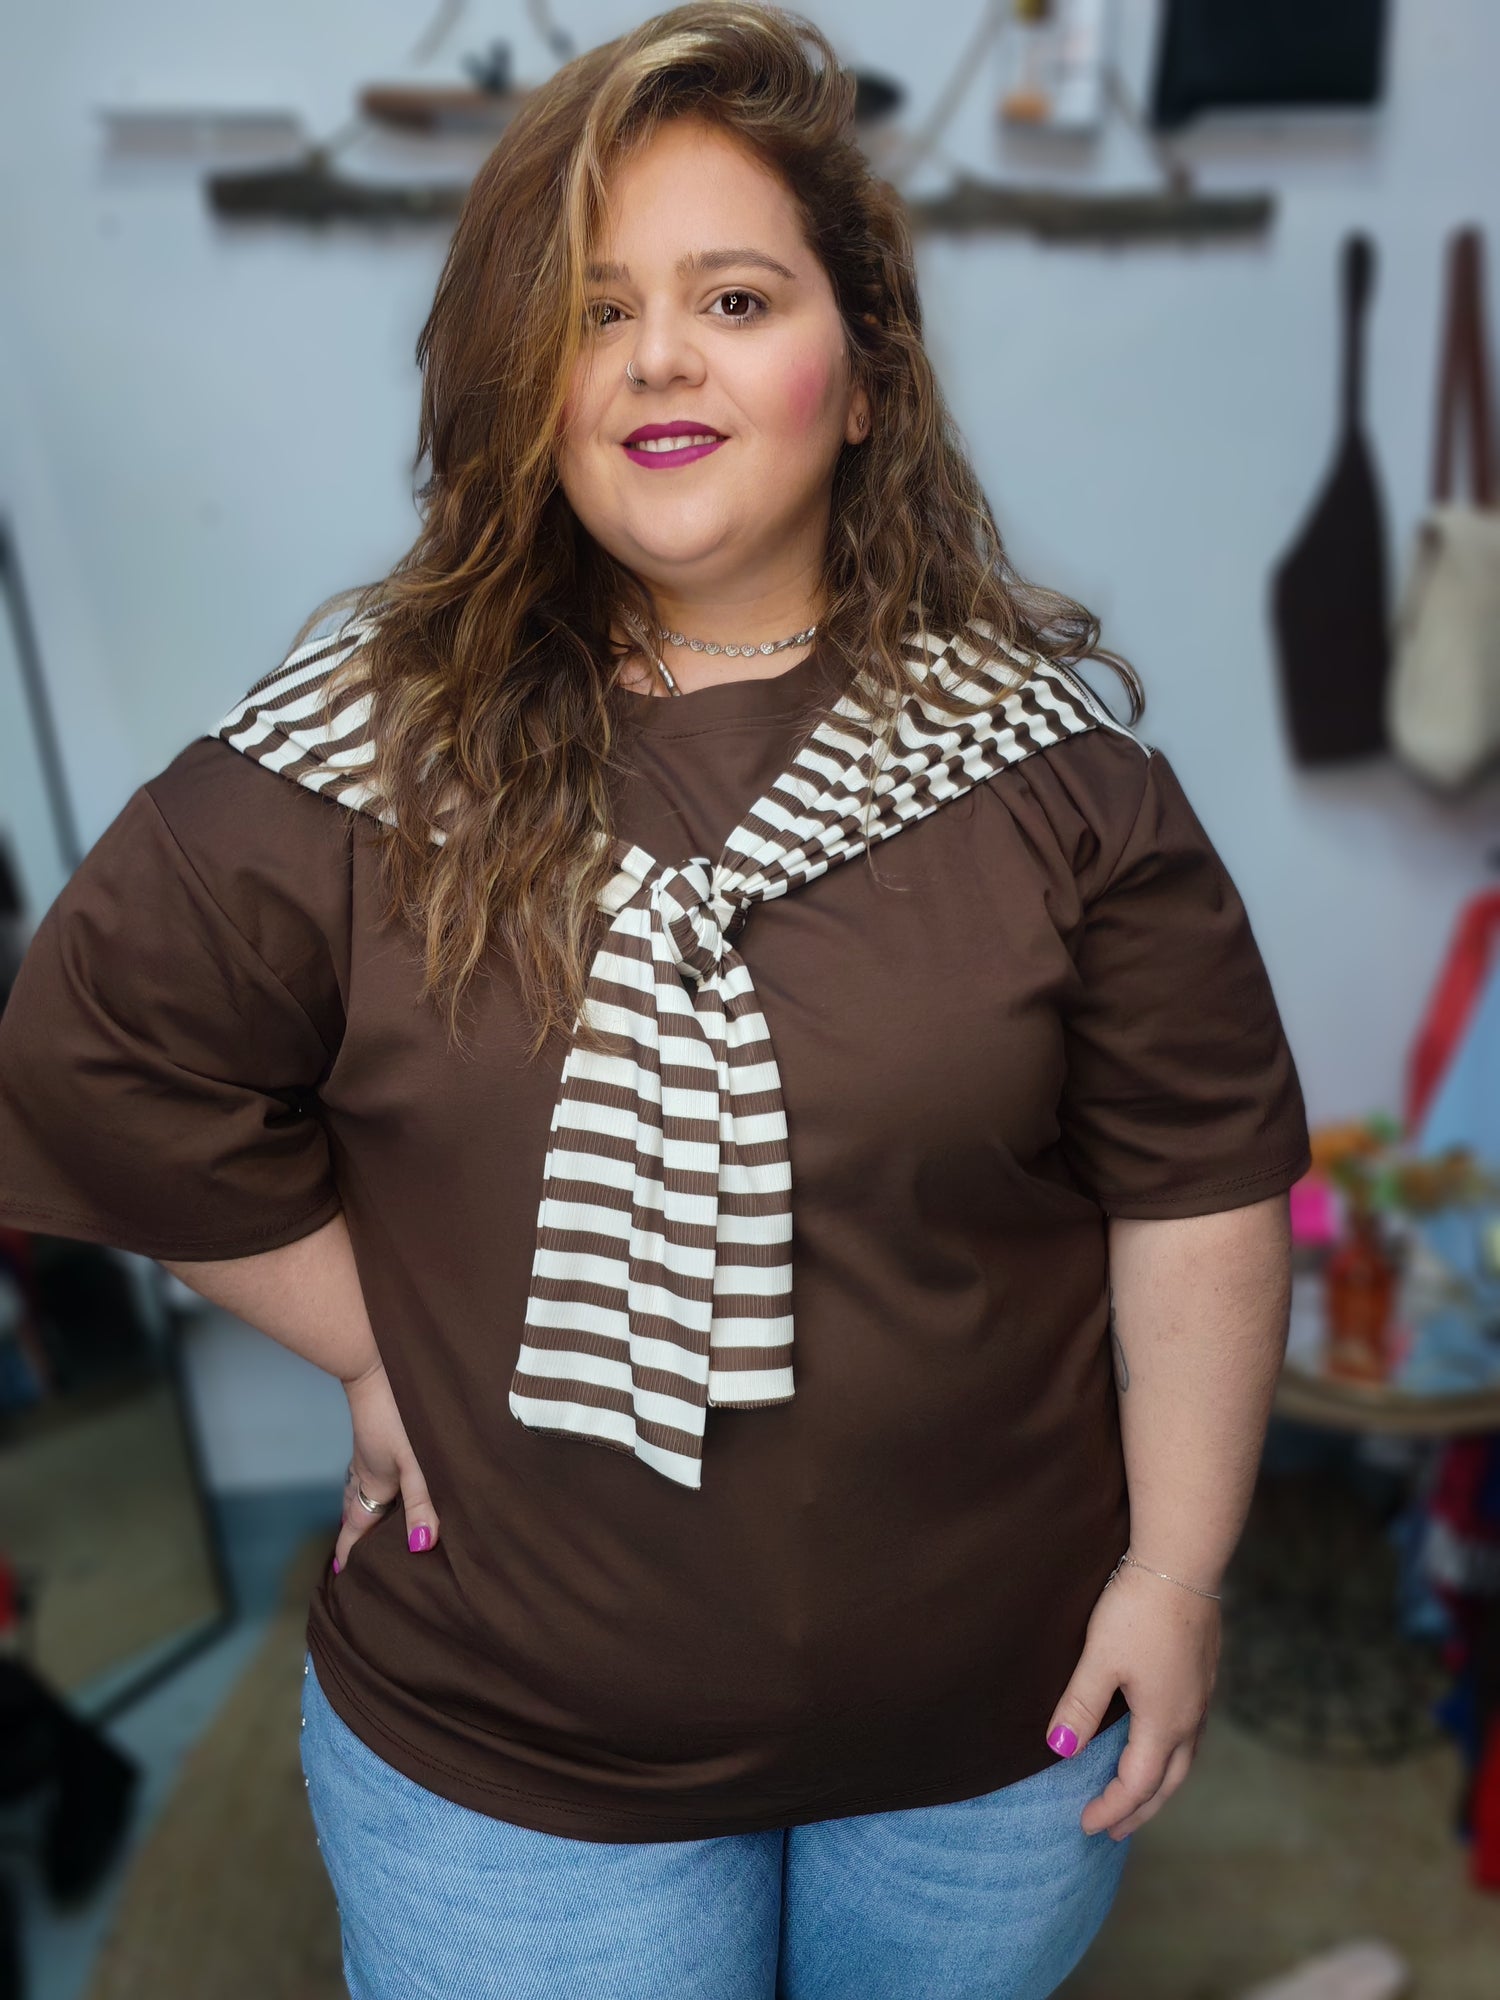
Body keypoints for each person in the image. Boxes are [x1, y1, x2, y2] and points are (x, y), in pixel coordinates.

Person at [0, 5, 1311, 1995]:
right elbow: (97, 1061)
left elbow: (1197, 1182)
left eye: (735, 297)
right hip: (507, 1768)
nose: (659, 357)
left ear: (863, 381)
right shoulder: (356, 755)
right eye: (594, 312)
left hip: (993, 1735)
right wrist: (375, 1347)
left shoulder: (1058, 780)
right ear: (524, 383)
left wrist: (1178, 1572)